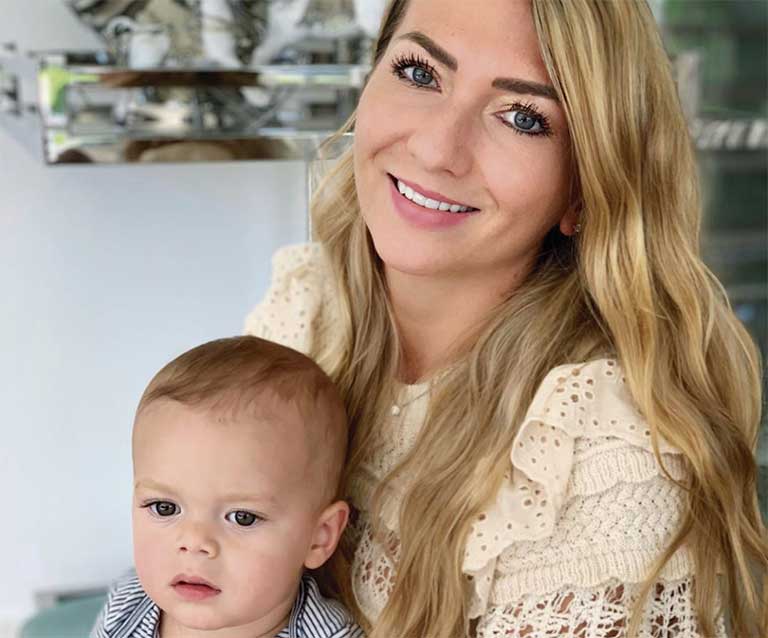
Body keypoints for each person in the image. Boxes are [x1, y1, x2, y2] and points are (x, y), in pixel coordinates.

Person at [245, 0, 768, 636]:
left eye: (523, 117)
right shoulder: (308, 310)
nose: (437, 149)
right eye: (419, 73)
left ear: (584, 189)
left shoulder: (598, 462)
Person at [90, 336, 364, 638]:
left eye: (242, 517)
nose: (194, 542)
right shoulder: (126, 605)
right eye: (164, 508)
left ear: (319, 537)